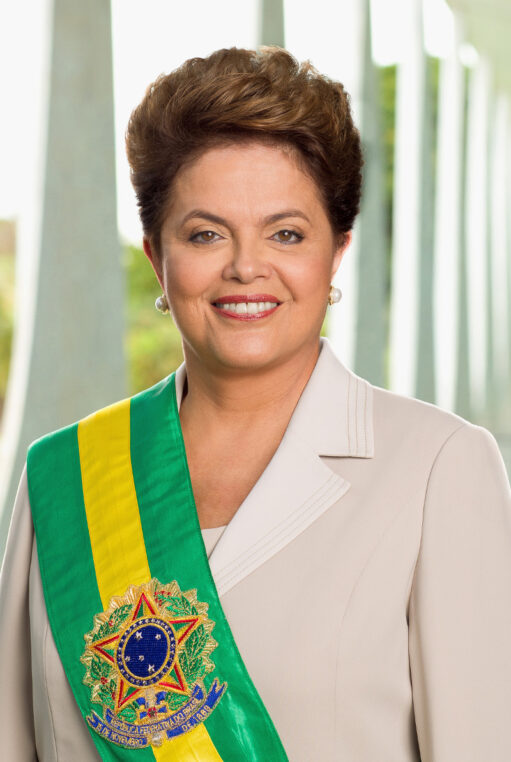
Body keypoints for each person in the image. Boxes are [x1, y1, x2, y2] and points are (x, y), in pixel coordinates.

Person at [1, 45, 510, 762]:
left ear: (335, 255)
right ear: (157, 255)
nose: (245, 267)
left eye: (286, 234)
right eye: (205, 234)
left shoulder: (437, 468)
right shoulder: (65, 477)